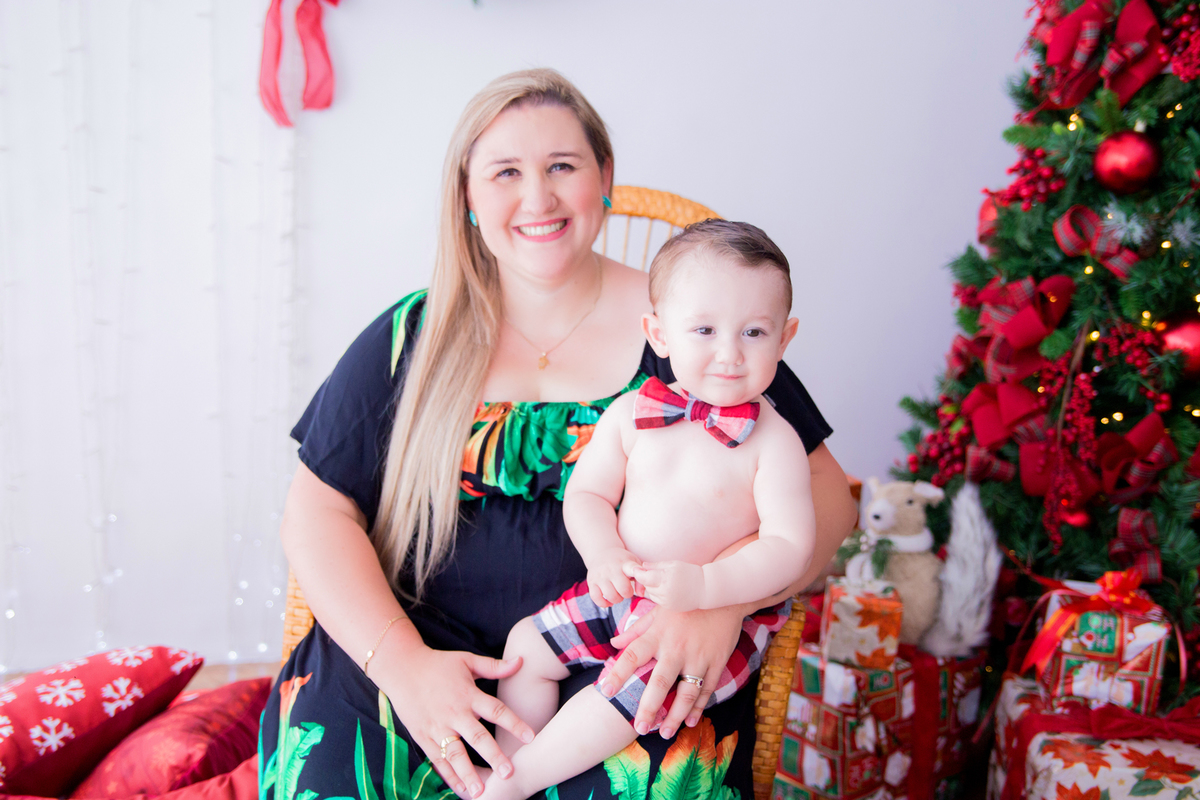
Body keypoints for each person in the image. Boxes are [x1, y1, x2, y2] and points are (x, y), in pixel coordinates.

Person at [258, 68, 858, 800]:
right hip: (413, 654)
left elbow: (828, 498)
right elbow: (316, 512)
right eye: (505, 171)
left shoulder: (697, 327)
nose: (537, 197)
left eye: (563, 167)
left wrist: (718, 604)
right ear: (468, 197)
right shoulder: (412, 335)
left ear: (604, 177)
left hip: (632, 652)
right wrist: (403, 667)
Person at [480, 220, 816, 800]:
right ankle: (510, 765)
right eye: (704, 329)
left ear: (785, 340)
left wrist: (710, 587)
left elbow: (790, 546)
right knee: (525, 648)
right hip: (622, 585)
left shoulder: (775, 440)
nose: (729, 353)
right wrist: (604, 552)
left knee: (630, 692)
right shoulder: (634, 413)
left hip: (707, 619)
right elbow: (587, 494)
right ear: (658, 334)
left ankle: (522, 781)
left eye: (755, 332)